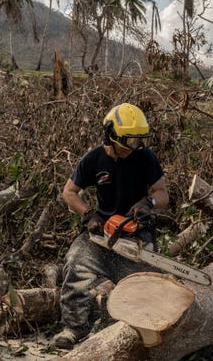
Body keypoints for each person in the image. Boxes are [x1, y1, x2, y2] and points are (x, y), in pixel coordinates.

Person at [52, 103, 170, 350]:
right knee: (75, 264)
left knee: (147, 285)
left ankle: (142, 332)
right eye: (129, 142)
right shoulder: (94, 159)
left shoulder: (144, 157)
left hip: (137, 231)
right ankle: (73, 328)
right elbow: (69, 192)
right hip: (101, 232)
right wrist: (89, 214)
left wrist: (148, 202)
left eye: (138, 142)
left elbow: (163, 193)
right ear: (111, 135)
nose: (133, 148)